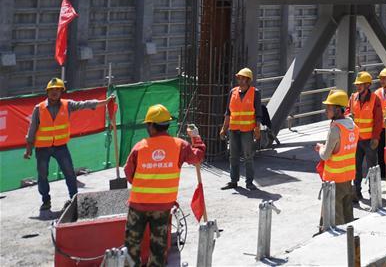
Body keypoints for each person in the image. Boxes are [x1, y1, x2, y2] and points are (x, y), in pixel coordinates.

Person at [124, 104, 205, 267]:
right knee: (158, 248)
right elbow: (198, 157)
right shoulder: (180, 145)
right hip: (162, 208)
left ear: (151, 126)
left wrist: (144, 185)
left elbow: (129, 173)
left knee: (132, 247)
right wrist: (196, 139)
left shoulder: (140, 147)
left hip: (138, 206)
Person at [23, 78, 114, 212]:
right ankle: (46, 201)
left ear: (61, 92)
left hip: (60, 146)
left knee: (70, 173)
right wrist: (28, 149)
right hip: (43, 148)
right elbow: (32, 128)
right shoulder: (39, 108)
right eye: (52, 90)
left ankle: (74, 199)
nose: (54, 92)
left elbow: (85, 104)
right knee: (42, 175)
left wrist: (105, 102)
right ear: (47, 92)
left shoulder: (68, 105)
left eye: (57, 90)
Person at [315, 89, 358, 227]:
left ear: (338, 110)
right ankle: (350, 239)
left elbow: (325, 155)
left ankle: (337, 243)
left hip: (335, 178)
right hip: (348, 176)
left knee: (335, 216)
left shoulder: (335, 129)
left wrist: (320, 148)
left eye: (329, 107)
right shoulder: (353, 127)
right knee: (347, 212)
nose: (326, 110)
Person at [220, 67, 261, 191]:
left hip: (247, 130)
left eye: (242, 77)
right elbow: (228, 112)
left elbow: (258, 113)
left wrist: (257, 129)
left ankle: (249, 182)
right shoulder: (233, 92)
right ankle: (233, 181)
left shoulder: (255, 92)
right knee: (233, 156)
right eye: (239, 77)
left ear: (248, 80)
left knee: (248, 156)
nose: (239, 79)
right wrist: (224, 128)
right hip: (233, 129)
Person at [348, 72, 382, 203]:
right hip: (356, 140)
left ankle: (373, 193)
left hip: (369, 141)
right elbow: (348, 113)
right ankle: (356, 192)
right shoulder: (353, 98)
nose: (358, 86)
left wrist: (375, 138)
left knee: (372, 168)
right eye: (357, 84)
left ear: (368, 85)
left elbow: (378, 121)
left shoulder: (375, 99)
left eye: (361, 84)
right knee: (355, 168)